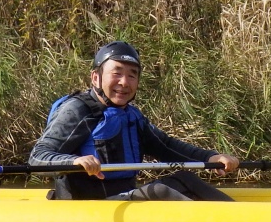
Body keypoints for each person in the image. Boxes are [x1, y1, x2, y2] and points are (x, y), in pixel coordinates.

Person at [30, 41, 240, 200]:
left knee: (185, 179)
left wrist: (210, 157)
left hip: (123, 200)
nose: (124, 82)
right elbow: (37, 157)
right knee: (160, 190)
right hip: (88, 208)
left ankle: (239, 220)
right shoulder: (77, 110)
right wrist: (74, 161)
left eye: (132, 75)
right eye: (117, 73)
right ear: (95, 77)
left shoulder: (132, 115)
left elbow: (167, 146)